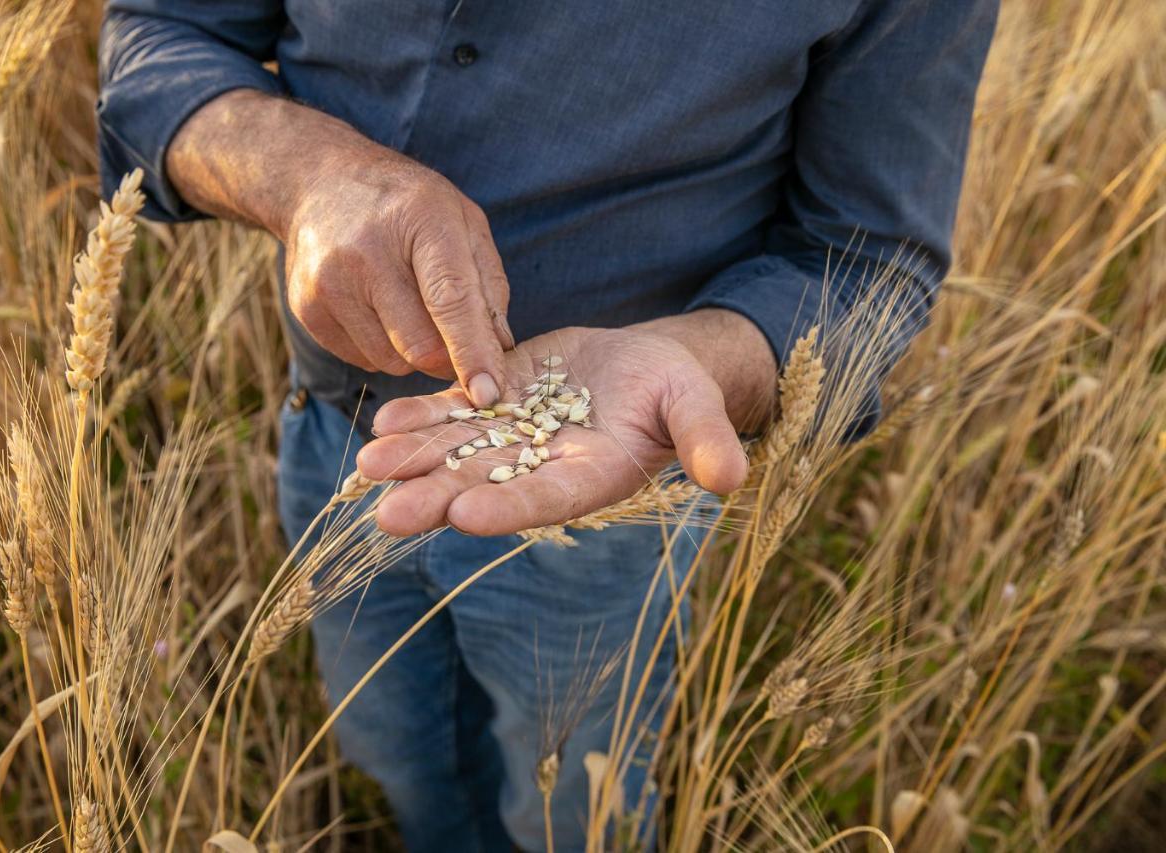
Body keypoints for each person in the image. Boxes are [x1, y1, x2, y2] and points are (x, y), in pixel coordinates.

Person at [97, 2, 997, 849]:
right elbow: (161, 37)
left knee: (569, 809)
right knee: (397, 756)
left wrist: (705, 360)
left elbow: (873, 258)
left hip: (610, 497)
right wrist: (304, 174)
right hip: (339, 437)